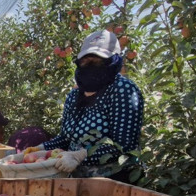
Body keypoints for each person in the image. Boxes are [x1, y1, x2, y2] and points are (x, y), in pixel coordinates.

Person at [24, 30, 144, 182]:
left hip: (115, 182)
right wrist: (40, 149)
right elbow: (66, 139)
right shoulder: (75, 96)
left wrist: (81, 155)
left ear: (114, 61)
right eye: (86, 62)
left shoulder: (122, 90)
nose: (91, 66)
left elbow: (124, 146)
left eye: (99, 61)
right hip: (78, 181)